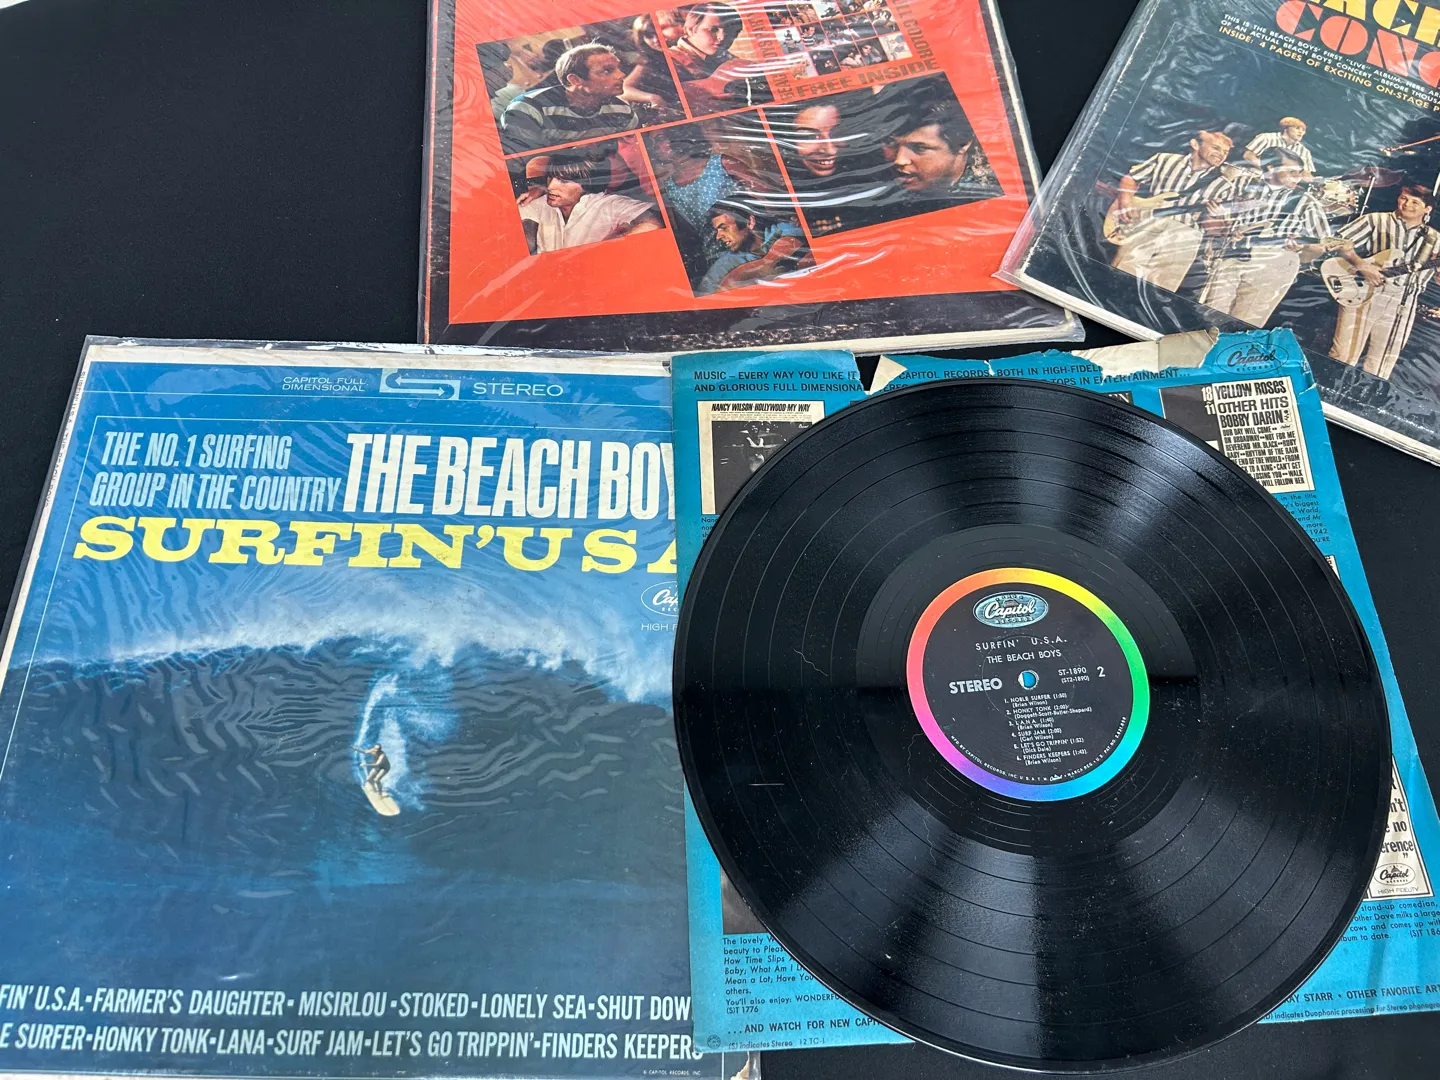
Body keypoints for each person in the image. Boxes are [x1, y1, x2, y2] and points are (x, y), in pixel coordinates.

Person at [1199, 147, 1343, 326]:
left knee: (1244, 323)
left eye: (1299, 172)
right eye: (1291, 172)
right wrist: (1221, 223)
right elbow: (1211, 222)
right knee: (1210, 317)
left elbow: (1320, 246)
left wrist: (1302, 248)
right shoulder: (1243, 185)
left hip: (1273, 266)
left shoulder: (1306, 203)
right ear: (1270, 167)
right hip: (1232, 256)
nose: (1297, 177)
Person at [1330, 184, 1440, 379]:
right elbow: (1336, 242)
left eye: (1415, 202)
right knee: (1343, 355)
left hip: (1404, 302)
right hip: (1365, 292)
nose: (1407, 204)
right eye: (1404, 198)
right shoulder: (1375, 220)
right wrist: (1361, 265)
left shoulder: (1435, 239)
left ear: (1427, 209)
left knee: (1382, 364)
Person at [1109, 129, 1234, 292]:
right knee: (1121, 273)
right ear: (1195, 144)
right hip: (1149, 221)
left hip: (1185, 236)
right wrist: (1126, 203)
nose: (1221, 155)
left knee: (1160, 290)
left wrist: (1216, 217)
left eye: (1225, 152)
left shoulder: (1224, 185)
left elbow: (1211, 228)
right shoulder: (1164, 159)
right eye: (1216, 148)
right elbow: (1131, 178)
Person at [500, 43, 638, 155]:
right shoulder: (527, 109)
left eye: (618, 68)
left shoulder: (623, 112)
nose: (621, 75)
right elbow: (524, 164)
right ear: (575, 80)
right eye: (607, 70)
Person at [518, 152, 662, 254]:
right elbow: (523, 235)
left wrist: (600, 253)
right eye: (550, 177)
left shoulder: (608, 204)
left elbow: (653, 223)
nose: (550, 186)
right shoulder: (540, 202)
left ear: (585, 184)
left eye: (564, 181)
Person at [885, 94, 1000, 206]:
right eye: (891, 144)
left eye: (920, 148)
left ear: (962, 144)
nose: (899, 160)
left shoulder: (990, 196)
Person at [697, 196, 812, 294]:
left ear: (750, 222)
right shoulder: (723, 265)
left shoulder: (782, 230)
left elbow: (798, 240)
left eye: (724, 228)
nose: (718, 236)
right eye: (717, 231)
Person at [622, 15, 683, 118]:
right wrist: (652, 97)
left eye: (659, 33)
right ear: (642, 39)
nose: (656, 40)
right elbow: (624, 89)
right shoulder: (650, 60)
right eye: (649, 36)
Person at [1244, 116, 1315, 177]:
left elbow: (1306, 173)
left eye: (1303, 130)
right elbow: (1248, 156)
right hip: (1256, 175)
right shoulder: (1266, 138)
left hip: (1284, 183)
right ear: (1286, 128)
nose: (1301, 132)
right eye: (1297, 128)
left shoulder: (1305, 152)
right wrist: (1267, 169)